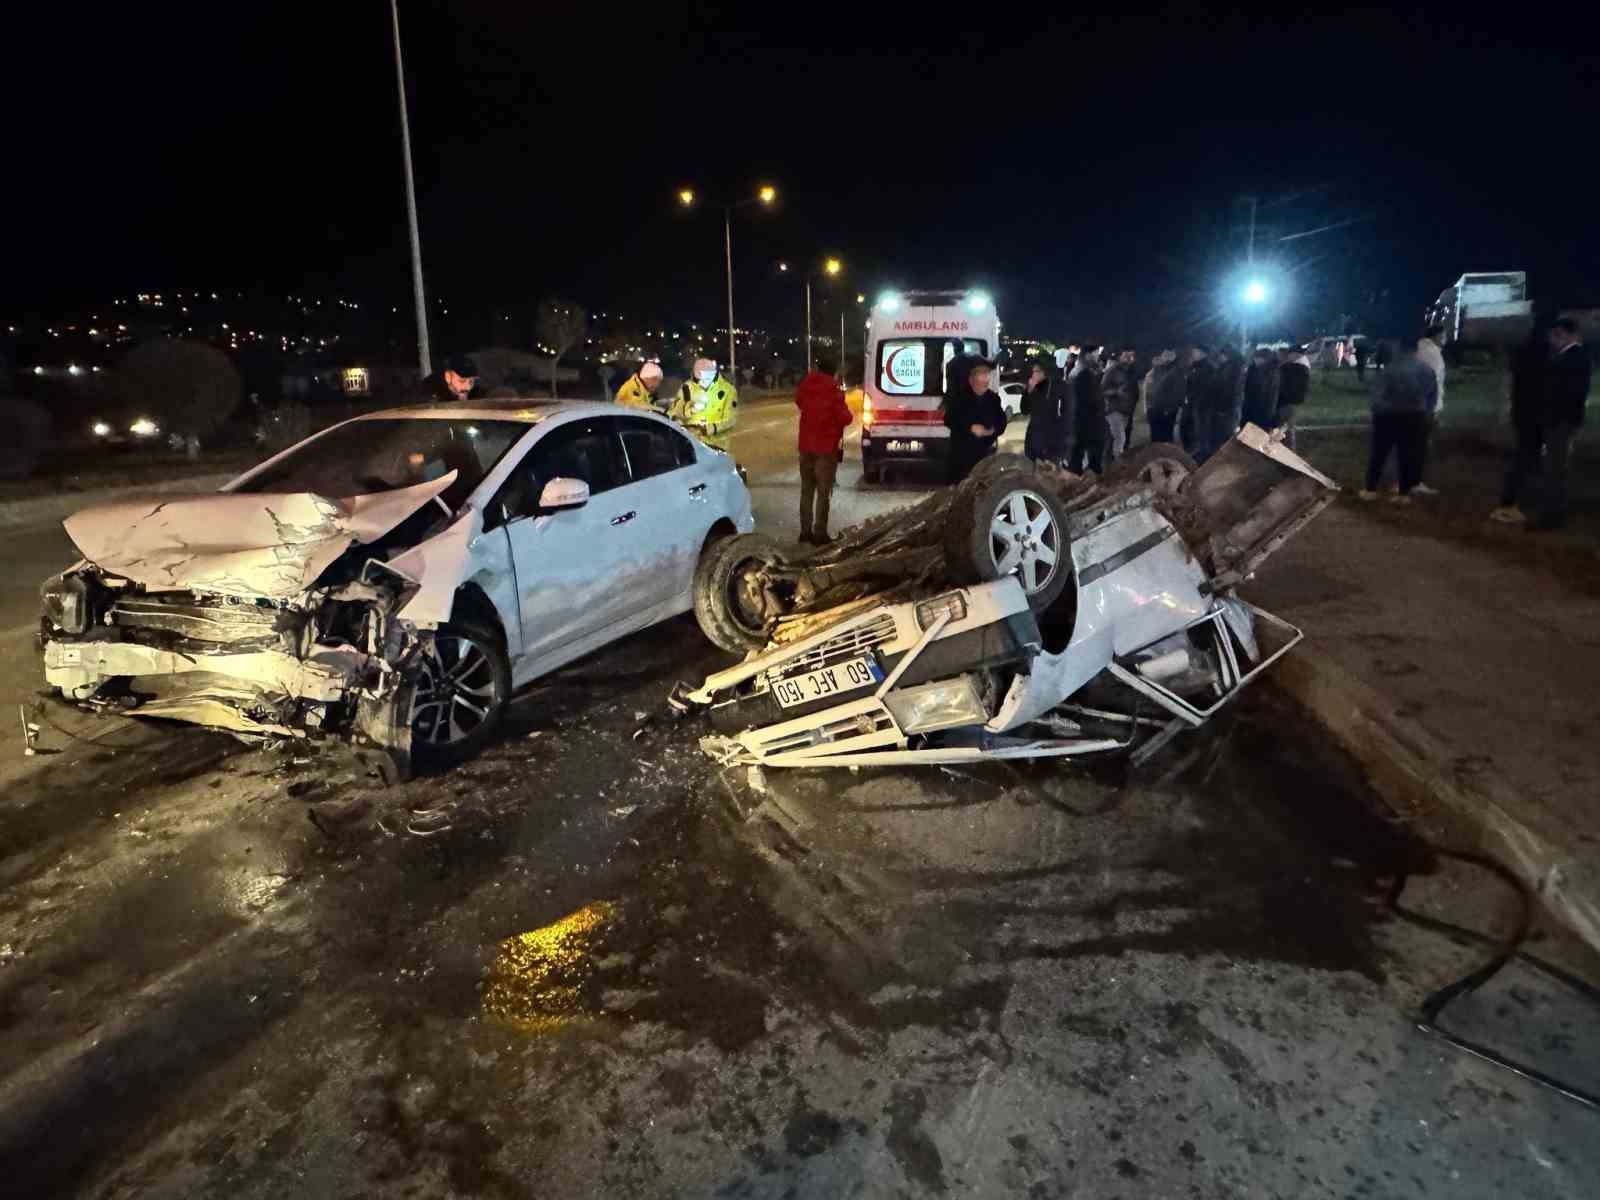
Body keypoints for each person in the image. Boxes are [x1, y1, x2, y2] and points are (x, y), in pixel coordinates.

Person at [1528, 317, 1591, 532]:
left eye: (1559, 335)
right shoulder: (1572, 357)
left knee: (1555, 470)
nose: (1555, 340)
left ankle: (1552, 517)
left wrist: (1552, 415)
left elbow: (1566, 394)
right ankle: (1552, 514)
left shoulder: (1573, 358)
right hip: (1562, 420)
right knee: (1555, 469)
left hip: (1561, 421)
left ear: (1571, 336)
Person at [1358, 339, 1437, 503]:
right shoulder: (1427, 370)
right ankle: (1403, 493)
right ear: (1416, 351)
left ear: (1400, 350)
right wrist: (1424, 412)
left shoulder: (1390, 370)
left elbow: (1377, 397)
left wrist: (1378, 410)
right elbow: (1431, 396)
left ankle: (1371, 489)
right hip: (1415, 416)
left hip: (1387, 417)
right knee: (1408, 455)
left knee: (1379, 453)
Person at [1491, 327, 1551, 524]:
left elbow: (1513, 385)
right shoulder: (1543, 358)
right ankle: (1508, 504)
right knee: (1525, 457)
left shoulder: (1522, 355)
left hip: (1523, 414)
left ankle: (1518, 499)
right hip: (1535, 415)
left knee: (1527, 457)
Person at [794, 350, 852, 545]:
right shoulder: (833, 389)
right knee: (823, 492)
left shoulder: (806, 384)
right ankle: (820, 533)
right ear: (833, 371)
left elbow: (799, 402)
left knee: (806, 490)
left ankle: (804, 532)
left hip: (805, 447)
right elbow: (845, 417)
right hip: (825, 449)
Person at [943, 357, 1006, 483]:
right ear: (971, 378)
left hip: (985, 459)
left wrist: (992, 430)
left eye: (987, 374)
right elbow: (949, 419)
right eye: (982, 375)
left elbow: (1002, 422)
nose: (986, 379)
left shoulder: (993, 399)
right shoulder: (959, 398)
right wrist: (970, 428)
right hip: (961, 460)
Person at [670, 357, 739, 450]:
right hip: (691, 444)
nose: (701, 383)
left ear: (713, 375)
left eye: (706, 379)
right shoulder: (687, 388)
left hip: (716, 446)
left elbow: (730, 420)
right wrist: (689, 409)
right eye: (698, 380)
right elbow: (674, 412)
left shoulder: (728, 390)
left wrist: (709, 429)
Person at [1412, 325, 1447, 496]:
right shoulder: (1432, 353)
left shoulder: (1420, 349)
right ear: (1436, 336)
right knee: (1421, 445)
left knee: (1416, 444)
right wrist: (1434, 406)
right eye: (1443, 335)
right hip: (1426, 407)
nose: (1445, 338)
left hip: (1415, 405)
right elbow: (1433, 382)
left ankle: (1405, 480)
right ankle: (1414, 481)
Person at [1024, 354, 1069, 464]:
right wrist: (1028, 391)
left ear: (1045, 372)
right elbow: (1024, 410)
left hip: (1051, 446)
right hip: (1033, 443)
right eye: (1033, 371)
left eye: (1036, 371)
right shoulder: (1033, 387)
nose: (1033, 374)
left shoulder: (1060, 388)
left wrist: (1063, 451)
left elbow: (1066, 418)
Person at [1067, 347, 1105, 473]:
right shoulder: (1082, 373)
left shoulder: (1084, 371)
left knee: (1082, 452)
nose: (1098, 357)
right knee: (1083, 452)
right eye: (1096, 354)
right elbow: (1085, 398)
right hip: (1085, 420)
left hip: (1085, 419)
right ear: (1088, 355)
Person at [1100, 348, 1140, 464]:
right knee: (1118, 439)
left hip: (1127, 411)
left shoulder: (1132, 372)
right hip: (1114, 410)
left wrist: (1133, 404)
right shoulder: (1112, 371)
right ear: (1120, 356)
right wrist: (1116, 392)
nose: (1129, 358)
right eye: (1126, 355)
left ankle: (1117, 466)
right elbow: (1102, 390)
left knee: (1123, 440)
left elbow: (1134, 391)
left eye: (1132, 356)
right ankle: (1113, 466)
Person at [1145, 350, 1185, 444]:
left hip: (1166, 411)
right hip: (1155, 409)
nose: (1162, 358)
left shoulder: (1176, 372)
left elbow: (1178, 393)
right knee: (1156, 437)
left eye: (1165, 356)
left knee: (1165, 436)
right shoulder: (1158, 370)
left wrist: (1169, 409)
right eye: (1162, 355)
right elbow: (1152, 389)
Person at [1275, 345, 1311, 448]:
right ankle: (1289, 448)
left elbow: (1284, 386)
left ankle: (1283, 451)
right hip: (1292, 402)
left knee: (1281, 429)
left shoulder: (1293, 367)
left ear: (1294, 354)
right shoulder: (1301, 365)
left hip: (1287, 403)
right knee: (1287, 428)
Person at [413, 353, 479, 404]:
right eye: (462, 381)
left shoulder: (477, 394)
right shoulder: (427, 395)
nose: (467, 387)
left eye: (471, 382)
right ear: (448, 377)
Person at [1242, 347, 1280, 430]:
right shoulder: (1254, 369)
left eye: (1257, 358)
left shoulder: (1271, 372)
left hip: (1262, 411)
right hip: (1251, 409)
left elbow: (1268, 395)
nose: (1255, 360)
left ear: (1265, 358)